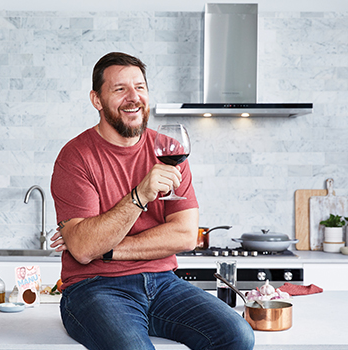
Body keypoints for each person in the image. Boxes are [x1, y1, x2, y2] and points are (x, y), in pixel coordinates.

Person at [49, 52, 255, 350]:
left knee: (237, 335)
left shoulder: (169, 149)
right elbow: (82, 250)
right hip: (94, 289)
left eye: (140, 87)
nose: (134, 97)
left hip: (164, 284)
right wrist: (140, 195)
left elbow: (185, 235)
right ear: (97, 100)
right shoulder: (76, 157)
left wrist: (105, 250)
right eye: (120, 89)